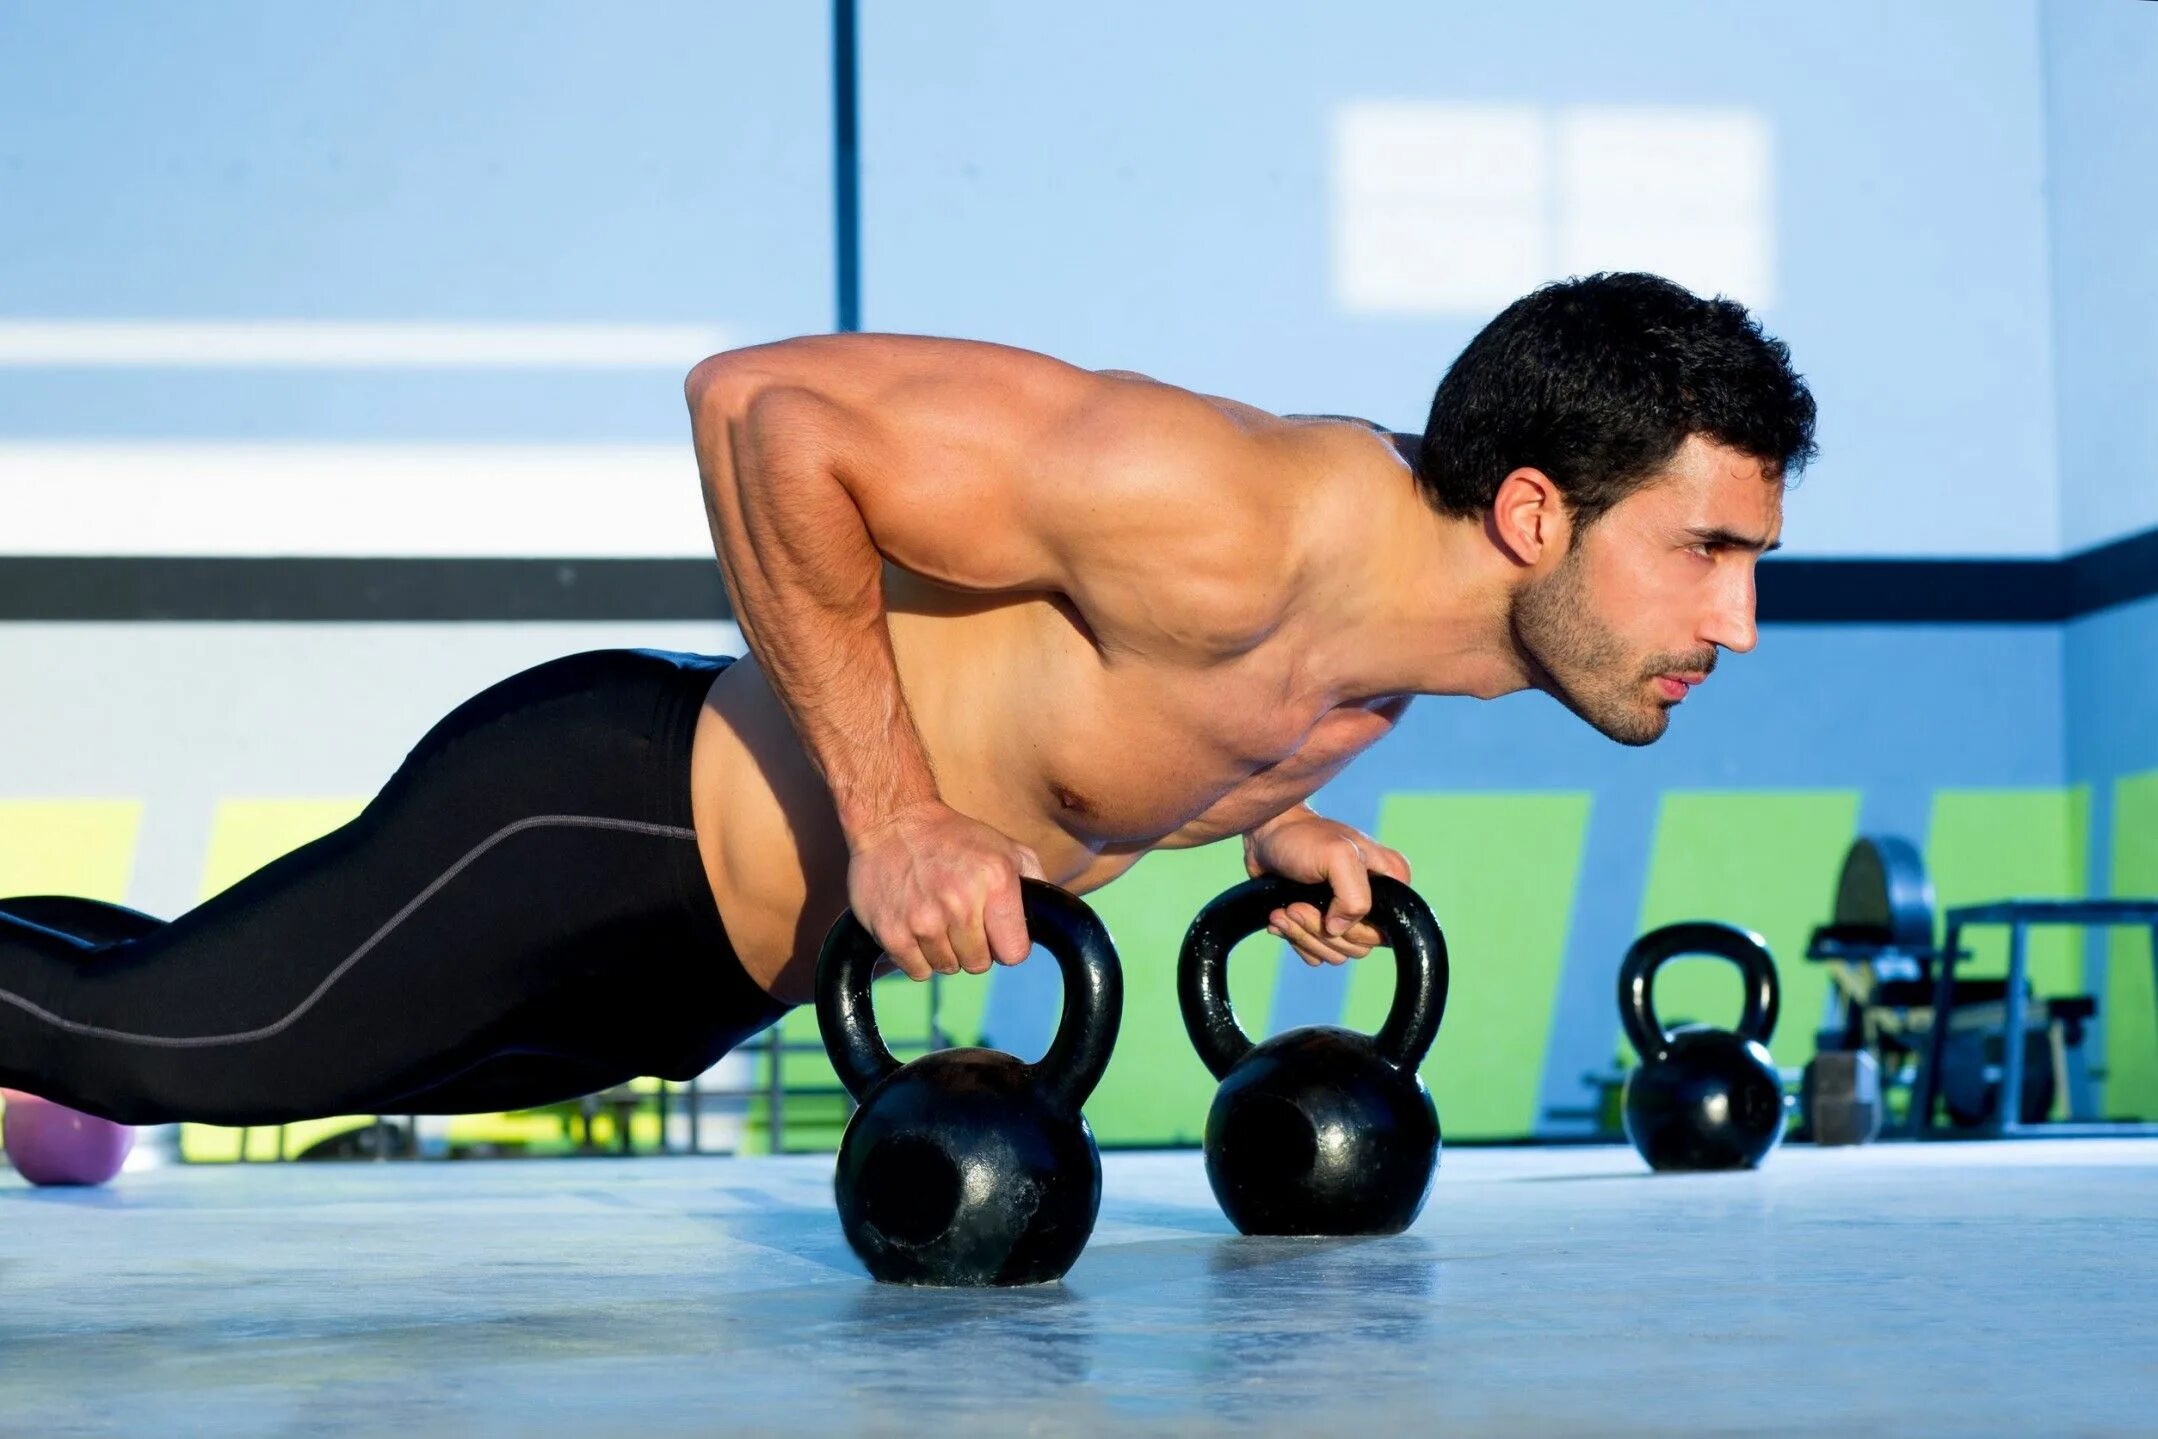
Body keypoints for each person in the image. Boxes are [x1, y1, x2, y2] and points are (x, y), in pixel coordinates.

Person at [0, 272, 1814, 1129]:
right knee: (175, 1056)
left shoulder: (1406, 646)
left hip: (707, 975)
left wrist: (1279, 821)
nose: (1734, 625)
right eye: (1705, 553)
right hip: (604, 820)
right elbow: (760, 409)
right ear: (1529, 515)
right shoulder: (1222, 511)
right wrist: (892, 815)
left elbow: (1136, 717)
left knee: (174, 1001)